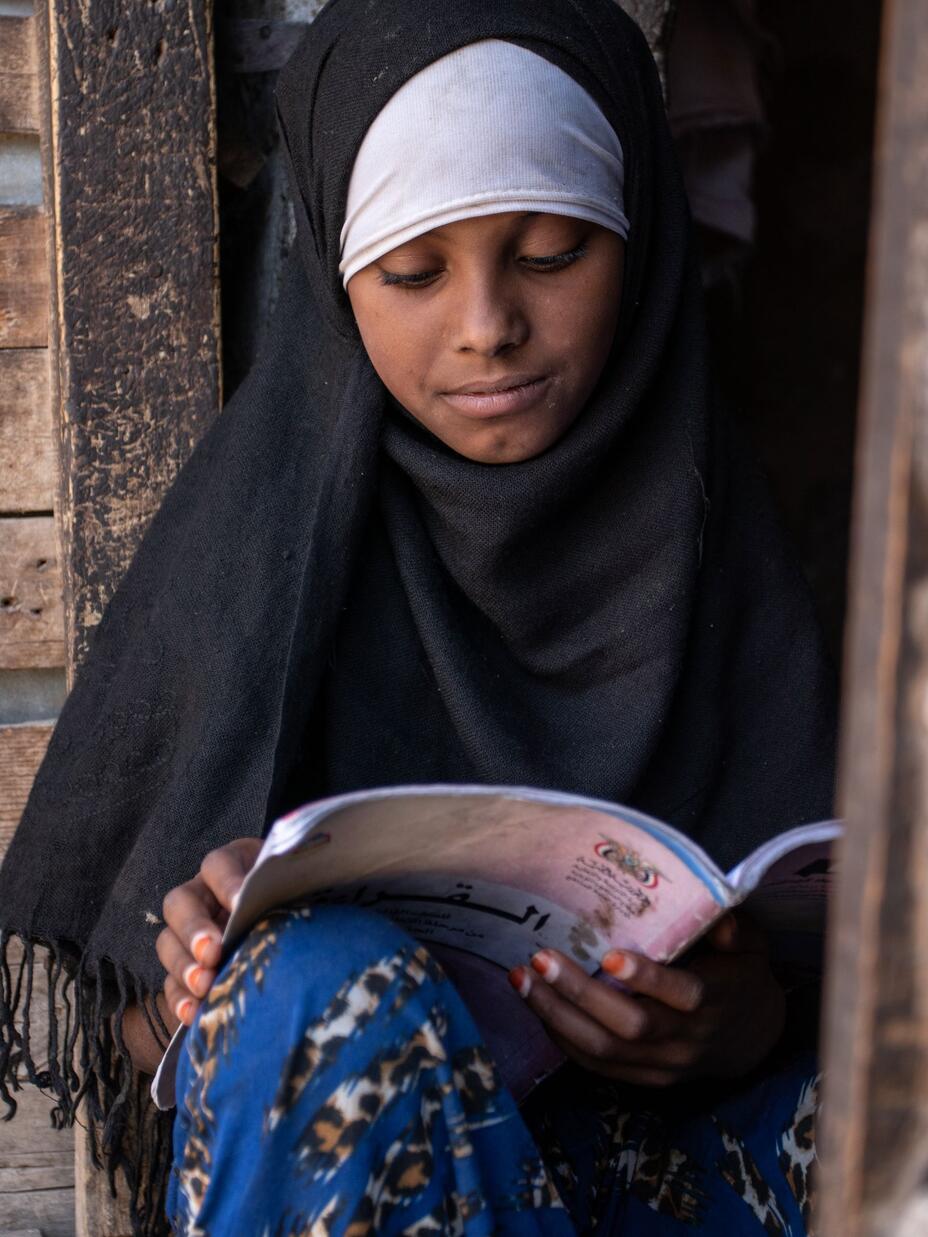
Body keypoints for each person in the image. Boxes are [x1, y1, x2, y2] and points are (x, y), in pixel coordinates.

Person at [0, 1, 835, 1234]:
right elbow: (147, 1050)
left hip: (681, 1184)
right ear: (338, 276)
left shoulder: (740, 551)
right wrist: (199, 992)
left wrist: (735, 1021)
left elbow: (831, 982)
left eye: (552, 254)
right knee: (309, 985)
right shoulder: (255, 566)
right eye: (413, 272)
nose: (487, 325)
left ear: (643, 247)